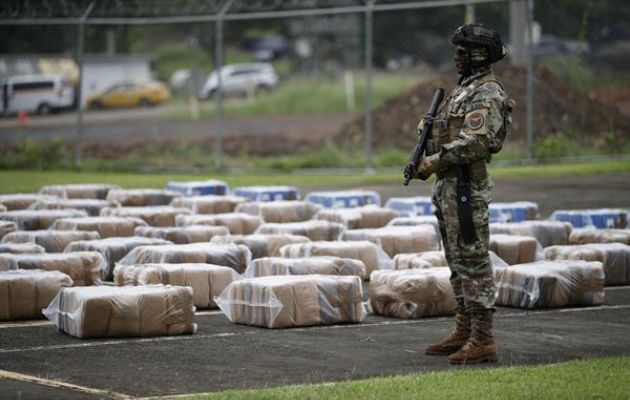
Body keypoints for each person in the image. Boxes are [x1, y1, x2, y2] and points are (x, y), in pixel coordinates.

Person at [405, 23, 514, 364]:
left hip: (466, 188)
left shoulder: (487, 92)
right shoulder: (464, 89)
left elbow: (476, 142)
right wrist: (429, 130)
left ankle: (483, 339)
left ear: (480, 55)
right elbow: (452, 129)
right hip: (449, 188)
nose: (457, 55)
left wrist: (432, 161)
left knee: (474, 262)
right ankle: (464, 329)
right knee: (457, 262)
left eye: (464, 51)